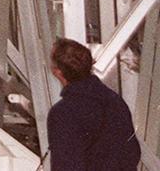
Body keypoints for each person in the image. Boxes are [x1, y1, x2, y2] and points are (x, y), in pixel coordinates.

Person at [46, 37, 141, 170]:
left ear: (58, 72)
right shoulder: (115, 101)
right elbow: (132, 153)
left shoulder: (63, 112)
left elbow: (65, 165)